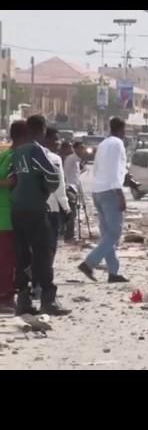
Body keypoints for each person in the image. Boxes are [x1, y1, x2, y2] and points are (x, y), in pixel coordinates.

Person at [11, 115, 70, 316]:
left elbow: (14, 178)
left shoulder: (18, 152)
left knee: (22, 255)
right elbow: (52, 175)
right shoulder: (36, 150)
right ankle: (48, 300)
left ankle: (23, 300)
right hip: (35, 209)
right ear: (42, 129)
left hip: (17, 209)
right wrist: (45, 190)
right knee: (43, 254)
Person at [78, 117, 129, 284]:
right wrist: (120, 194)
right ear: (122, 129)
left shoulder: (103, 144)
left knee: (107, 234)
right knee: (114, 233)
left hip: (98, 190)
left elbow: (99, 168)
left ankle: (113, 272)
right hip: (110, 191)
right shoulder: (117, 144)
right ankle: (89, 263)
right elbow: (115, 171)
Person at [0, 121, 28, 312]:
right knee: (10, 259)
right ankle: (6, 297)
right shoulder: (17, 157)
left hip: (5, 215)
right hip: (9, 216)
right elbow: (11, 182)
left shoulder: (4, 155)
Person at [43, 128, 71, 261]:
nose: (58, 142)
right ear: (45, 139)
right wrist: (66, 207)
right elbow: (59, 186)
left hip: (31, 208)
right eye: (55, 139)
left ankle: (33, 276)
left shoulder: (26, 154)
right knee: (50, 245)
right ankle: (45, 276)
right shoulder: (55, 158)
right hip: (51, 209)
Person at [63, 141, 86, 241]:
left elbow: (76, 177)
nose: (82, 150)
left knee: (74, 213)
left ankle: (70, 234)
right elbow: (66, 174)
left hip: (74, 188)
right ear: (75, 148)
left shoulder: (76, 161)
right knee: (71, 213)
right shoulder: (71, 159)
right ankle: (69, 235)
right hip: (70, 188)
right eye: (80, 148)